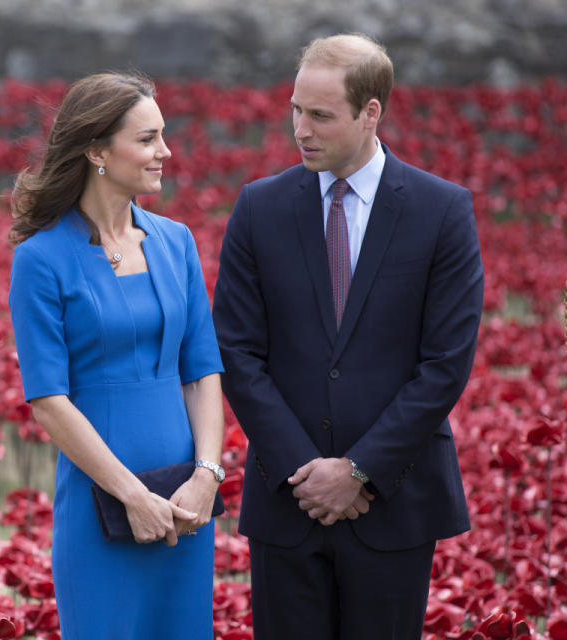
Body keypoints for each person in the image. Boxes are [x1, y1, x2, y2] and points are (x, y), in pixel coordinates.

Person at [212, 34, 484, 639]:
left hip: (395, 503)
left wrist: (358, 470)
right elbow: (236, 349)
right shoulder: (259, 207)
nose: (300, 130)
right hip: (288, 501)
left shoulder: (442, 212)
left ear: (371, 114)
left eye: (319, 115)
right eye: (295, 109)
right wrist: (305, 469)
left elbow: (444, 363)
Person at [8, 72, 225, 639]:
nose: (165, 152)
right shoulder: (41, 258)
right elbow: (48, 400)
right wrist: (132, 495)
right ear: (97, 151)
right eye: (148, 139)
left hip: (184, 504)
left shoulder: (176, 240)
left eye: (163, 136)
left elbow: (202, 371)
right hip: (101, 504)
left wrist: (207, 474)